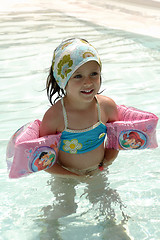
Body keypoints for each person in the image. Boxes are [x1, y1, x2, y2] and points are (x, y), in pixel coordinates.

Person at [40, 38, 119, 176]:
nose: (88, 82)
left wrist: (106, 163)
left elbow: (115, 142)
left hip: (99, 170)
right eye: (78, 76)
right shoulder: (55, 117)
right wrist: (75, 177)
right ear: (63, 80)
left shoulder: (107, 107)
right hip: (65, 176)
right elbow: (43, 160)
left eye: (94, 74)